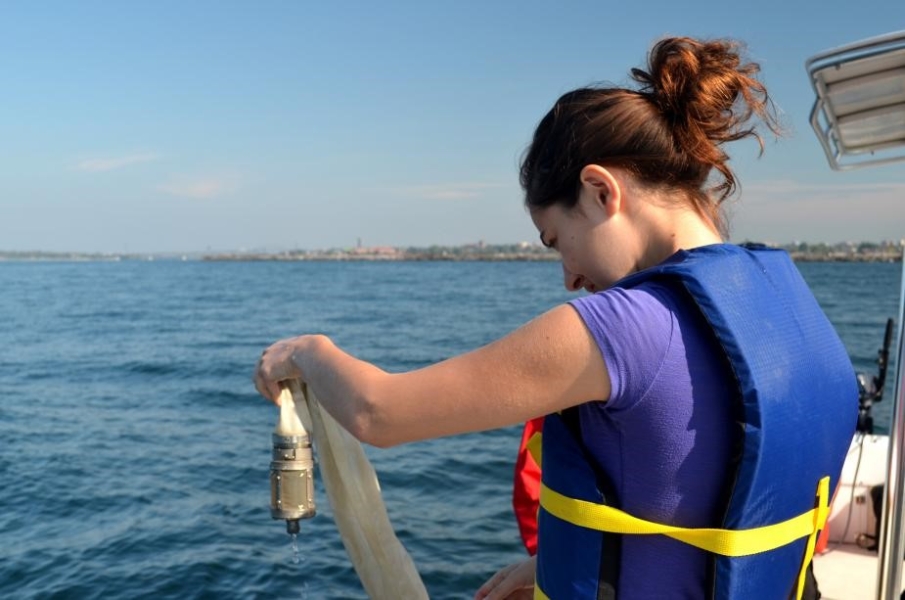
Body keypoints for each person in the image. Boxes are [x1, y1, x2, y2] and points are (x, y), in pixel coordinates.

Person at [254, 36, 858, 600]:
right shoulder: (788, 305)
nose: (568, 277)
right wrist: (549, 565)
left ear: (600, 192)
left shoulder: (622, 328)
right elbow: (702, 497)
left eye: (555, 240)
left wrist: (304, 351)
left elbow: (377, 412)